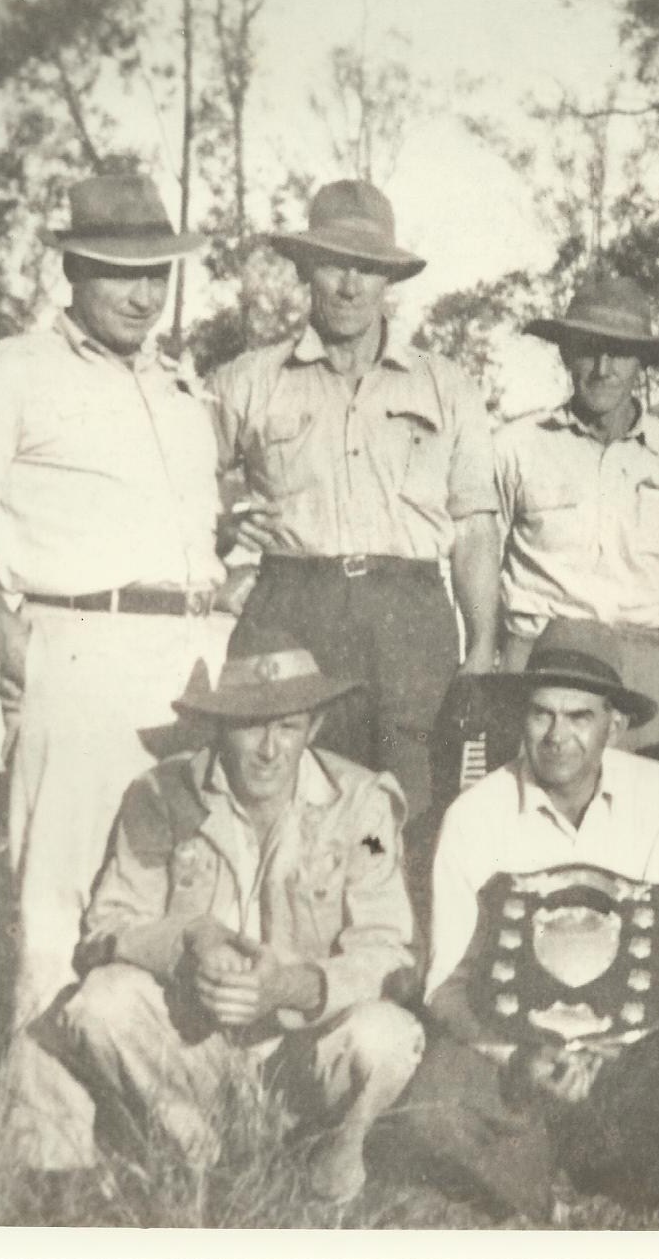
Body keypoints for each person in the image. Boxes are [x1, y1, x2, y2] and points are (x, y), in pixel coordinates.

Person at [0, 175, 234, 1169]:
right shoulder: (11, 371)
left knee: (175, 885)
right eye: (121, 275)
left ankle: (161, 1119)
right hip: (78, 646)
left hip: (186, 657)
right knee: (58, 896)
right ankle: (51, 1148)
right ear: (73, 268)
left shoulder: (178, 386)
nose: (144, 295)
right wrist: (20, 648)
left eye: (159, 275)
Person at [400, 621, 659, 1222]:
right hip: (519, 1063)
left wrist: (610, 1052)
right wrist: (522, 1060)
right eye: (542, 714)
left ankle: (622, 1156)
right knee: (427, 1109)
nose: (558, 736)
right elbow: (446, 984)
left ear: (615, 725)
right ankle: (563, 1182)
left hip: (631, 1059)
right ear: (521, 716)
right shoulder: (475, 814)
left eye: (580, 717)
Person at [55, 636, 423, 1204]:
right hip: (193, 1044)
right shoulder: (159, 795)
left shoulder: (365, 808)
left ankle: (328, 1153)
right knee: (100, 1002)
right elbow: (109, 924)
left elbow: (388, 949)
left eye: (289, 728)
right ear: (219, 727)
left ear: (315, 728)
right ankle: (196, 1151)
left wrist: (289, 986)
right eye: (251, 727)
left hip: (302, 1052)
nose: (270, 750)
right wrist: (189, 944)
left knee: (390, 1036)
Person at [209, 179, 500, 842]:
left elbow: (476, 527)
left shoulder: (445, 385)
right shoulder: (248, 380)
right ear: (307, 268)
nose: (348, 284)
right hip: (291, 606)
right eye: (334, 263)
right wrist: (219, 536)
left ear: (388, 278)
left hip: (410, 617)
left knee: (414, 802)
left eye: (366, 268)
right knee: (286, 801)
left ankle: (399, 947)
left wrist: (481, 643)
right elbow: (182, 492)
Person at [495, 274, 659, 774]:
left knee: (655, 811)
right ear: (566, 354)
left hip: (641, 660)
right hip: (541, 658)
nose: (603, 368)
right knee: (531, 816)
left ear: (641, 363)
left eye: (620, 353)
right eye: (589, 350)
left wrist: (646, 646)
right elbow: (486, 556)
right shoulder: (517, 446)